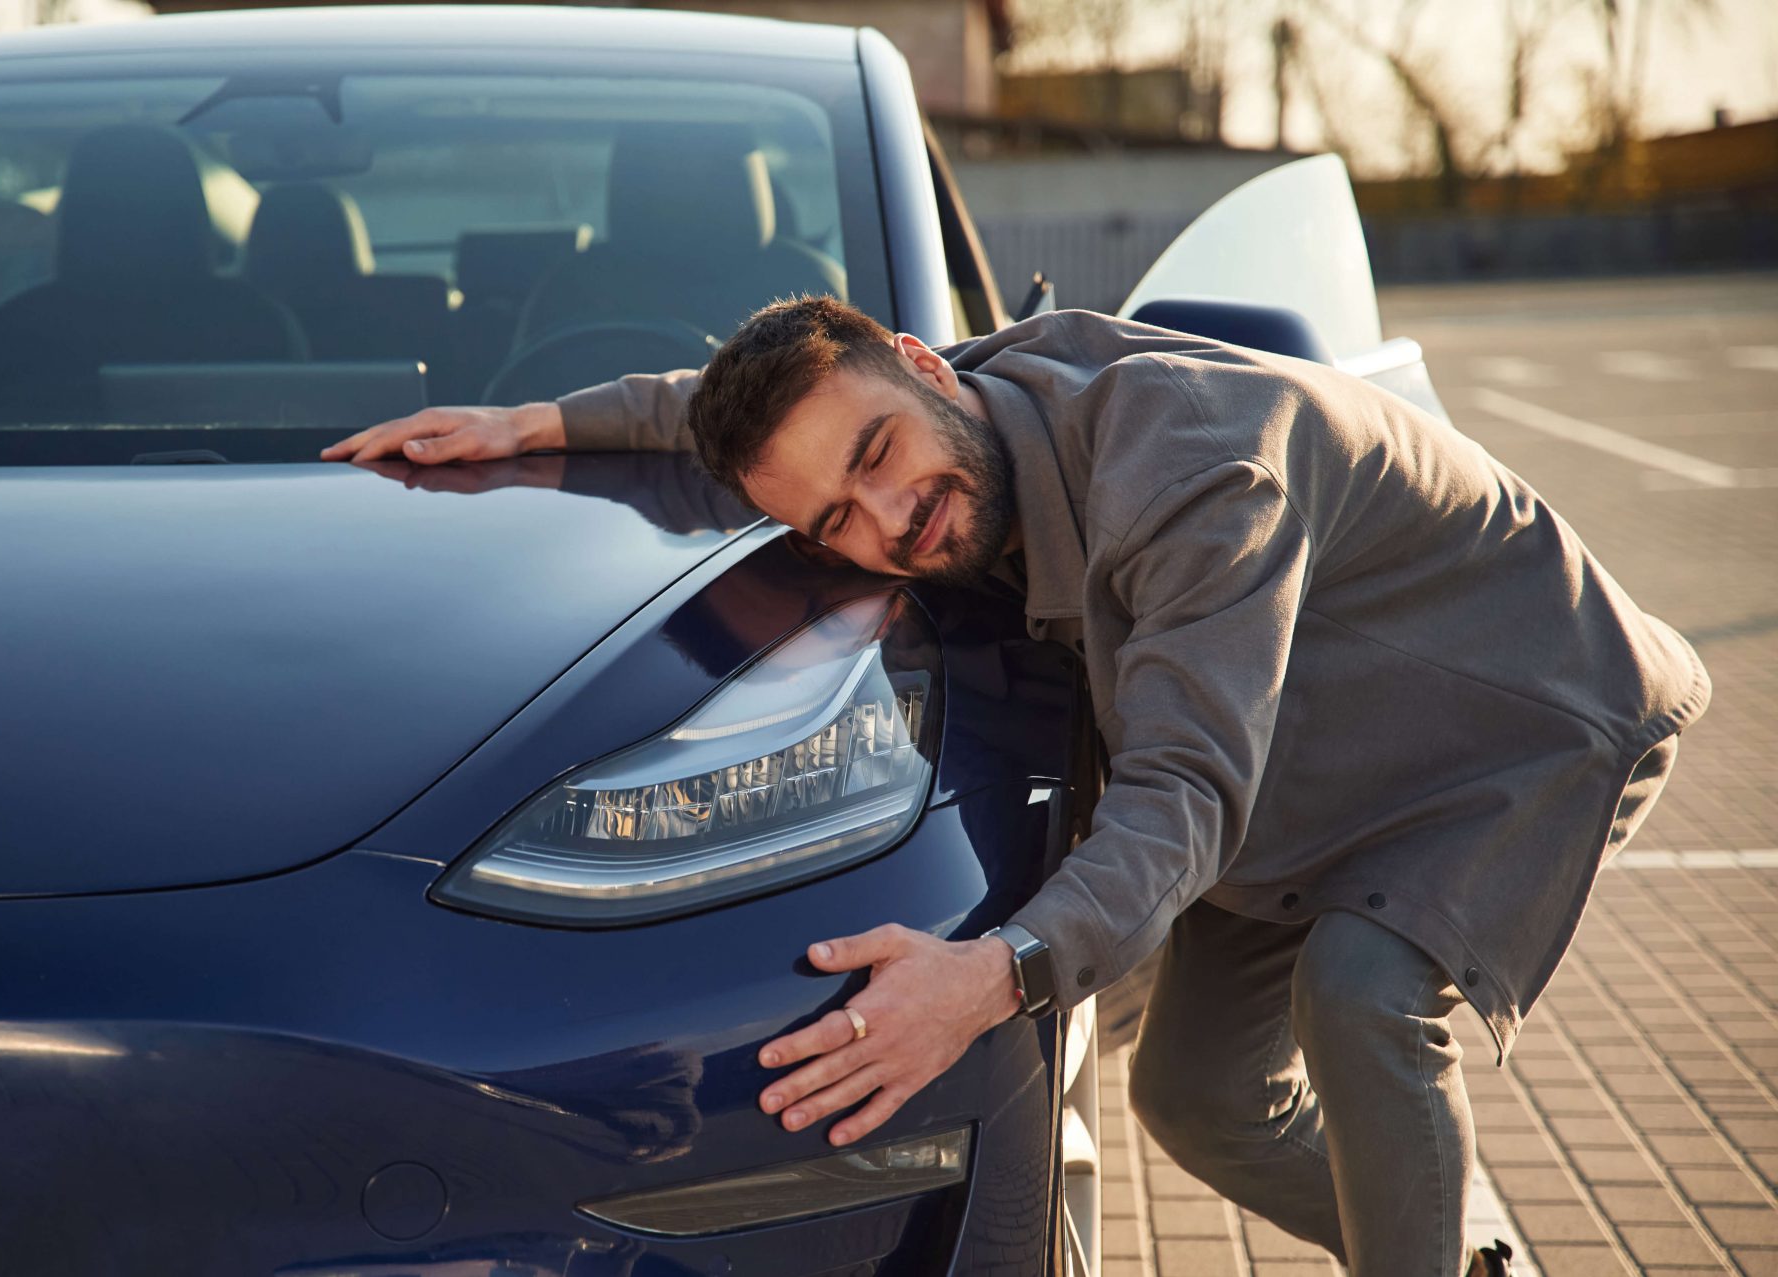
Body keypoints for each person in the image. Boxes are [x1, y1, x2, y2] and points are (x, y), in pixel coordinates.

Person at [324, 298, 1708, 1276]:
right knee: (1199, 1094)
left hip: (1514, 709)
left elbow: (1181, 792)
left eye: (879, 460)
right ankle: (1459, 1247)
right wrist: (532, 423)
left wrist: (994, 974)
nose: (887, 526)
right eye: (835, 523)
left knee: (1361, 999)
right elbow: (734, 416)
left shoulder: (1190, 467)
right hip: (1295, 741)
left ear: (926, 369)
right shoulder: (957, 402)